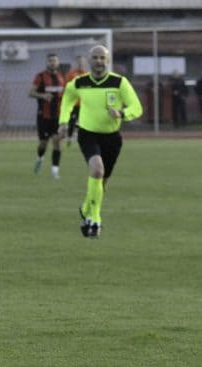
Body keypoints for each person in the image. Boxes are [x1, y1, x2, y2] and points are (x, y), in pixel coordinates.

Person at [58, 45, 143, 239]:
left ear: (108, 60)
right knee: (97, 169)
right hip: (88, 134)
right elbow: (67, 100)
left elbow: (137, 107)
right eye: (95, 58)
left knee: (102, 183)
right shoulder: (79, 83)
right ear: (89, 60)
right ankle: (95, 219)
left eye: (102, 58)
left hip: (112, 137)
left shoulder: (119, 83)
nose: (98, 61)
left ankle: (86, 207)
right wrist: (63, 122)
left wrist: (122, 113)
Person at [29, 53, 65, 179]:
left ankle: (55, 171)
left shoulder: (62, 76)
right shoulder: (41, 76)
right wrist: (43, 96)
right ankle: (40, 158)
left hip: (58, 117)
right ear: (47, 63)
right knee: (43, 143)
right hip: (44, 116)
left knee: (56, 142)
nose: (52, 63)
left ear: (58, 62)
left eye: (54, 61)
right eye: (50, 61)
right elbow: (31, 93)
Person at [64, 55, 89, 145]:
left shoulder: (87, 75)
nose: (81, 64)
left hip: (84, 104)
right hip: (74, 104)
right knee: (72, 121)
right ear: (76, 63)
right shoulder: (71, 74)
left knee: (84, 123)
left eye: (82, 62)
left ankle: (82, 139)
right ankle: (69, 138)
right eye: (79, 62)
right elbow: (66, 88)